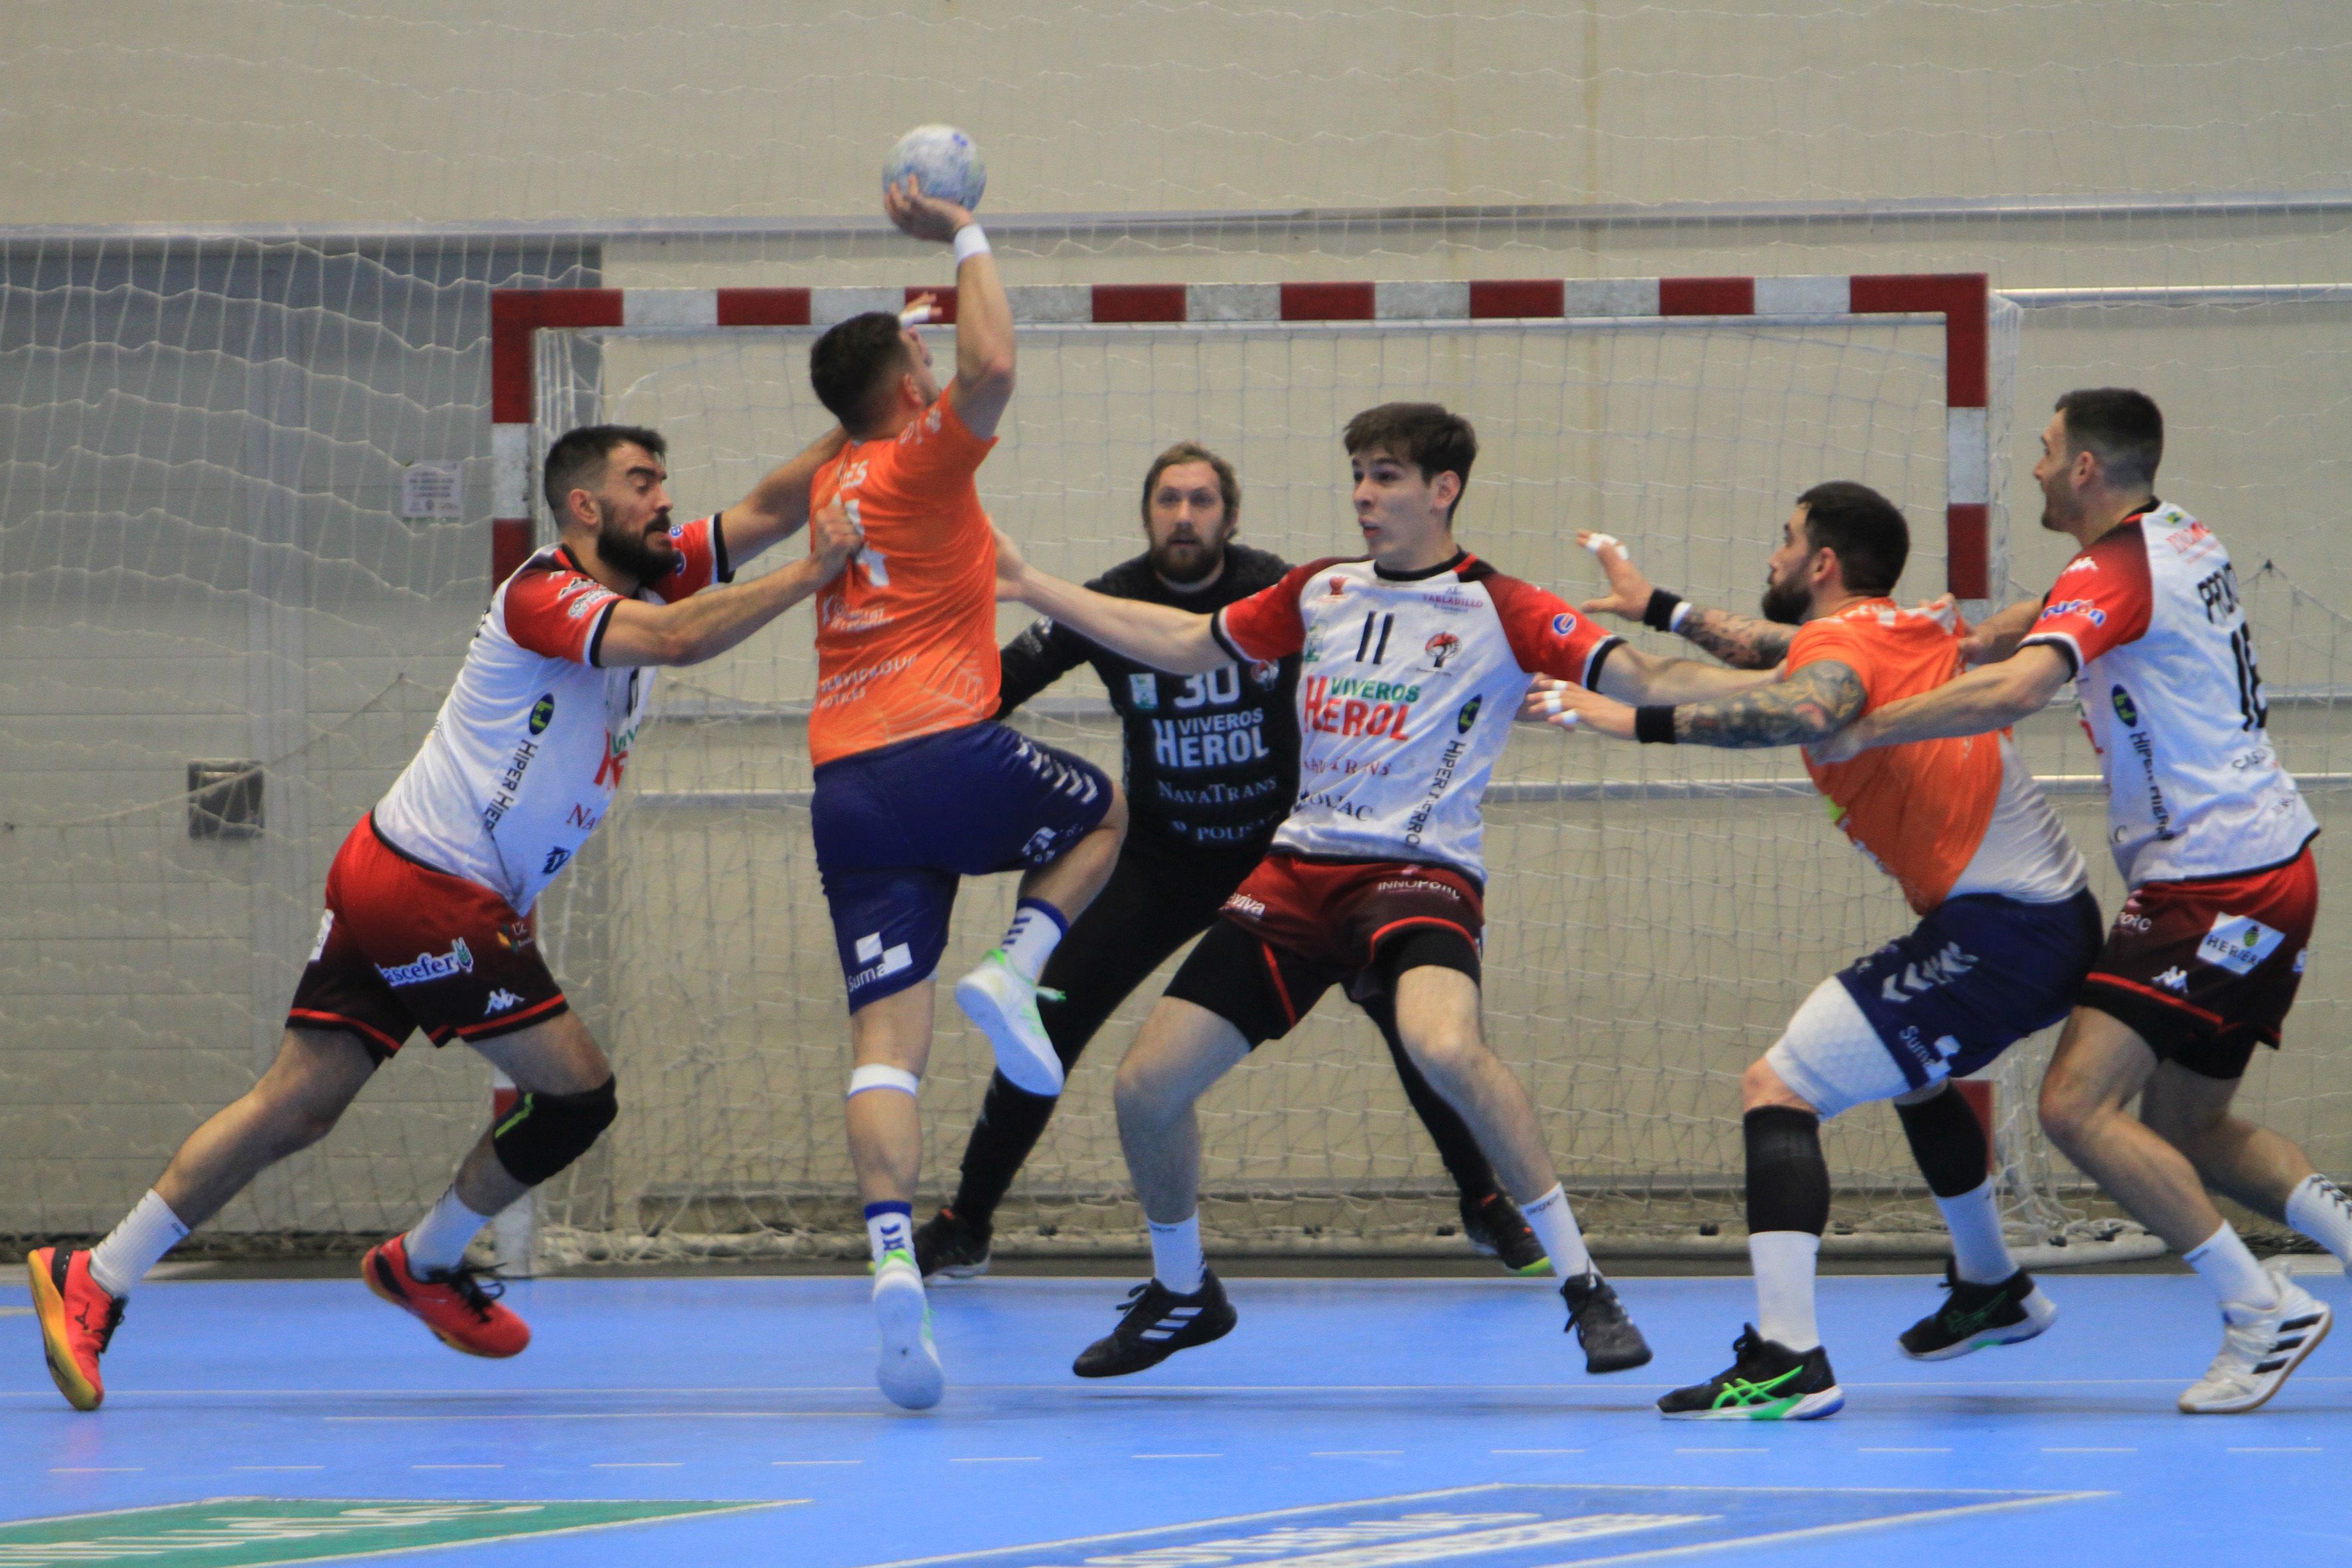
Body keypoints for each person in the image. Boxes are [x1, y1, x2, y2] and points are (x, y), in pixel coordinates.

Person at [27, 422, 862, 1412]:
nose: (664, 499)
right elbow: (682, 640)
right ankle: (422, 1261)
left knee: (296, 1105)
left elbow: (767, 504)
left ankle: (96, 1275)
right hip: (430, 888)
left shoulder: (653, 568)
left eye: (664, 481)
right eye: (642, 482)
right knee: (578, 1096)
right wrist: (823, 568)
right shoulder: (545, 591)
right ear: (585, 506)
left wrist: (870, 416)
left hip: (402, 872)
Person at [992, 402, 1771, 1382]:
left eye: (1387, 476)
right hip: (1297, 869)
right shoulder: (1316, 589)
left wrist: (1810, 686)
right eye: (1358, 472)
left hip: (1418, 872)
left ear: (1442, 490)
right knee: (1145, 1088)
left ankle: (1583, 1284)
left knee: (1441, 1043)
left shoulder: (1503, 605)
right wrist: (1030, 584)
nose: (1364, 493)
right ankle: (1182, 1292)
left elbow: (1648, 674)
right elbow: (1187, 642)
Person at [1818, 389, 2348, 1414]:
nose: (2033, 467)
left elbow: (2022, 692)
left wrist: (1869, 727)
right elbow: (2068, 605)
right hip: (2266, 868)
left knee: (2071, 1106)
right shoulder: (2175, 535)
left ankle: (2261, 1309)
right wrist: (1976, 632)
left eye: (2046, 451)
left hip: (2213, 884)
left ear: (2087, 470)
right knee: (2190, 1127)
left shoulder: (2114, 570)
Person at [1529, 481, 2100, 1420]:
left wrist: (1623, 721)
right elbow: (1760, 649)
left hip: (2007, 930)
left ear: (1820, 563)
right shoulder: (1894, 625)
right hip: (2027, 918)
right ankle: (1991, 1286)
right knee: (1906, 1072)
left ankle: (1789, 1359)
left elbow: (1803, 706)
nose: (1772, 554)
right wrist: (1656, 608)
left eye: (1783, 538)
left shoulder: (1837, 650)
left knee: (1778, 1085)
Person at [915, 441, 1548, 1282]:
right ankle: (969, 1220)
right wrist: (925, 746)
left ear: (1231, 515)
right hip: (1162, 855)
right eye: (1169, 500)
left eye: (1203, 501)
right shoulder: (1111, 605)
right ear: (1146, 515)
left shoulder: (1285, 592)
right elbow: (991, 691)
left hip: (1282, 853)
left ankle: (1487, 1202)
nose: (1185, 516)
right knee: (1045, 1016)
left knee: (1416, 1019)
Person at [803, 175, 1127, 1409]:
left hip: (845, 788)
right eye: (919, 359)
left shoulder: (834, 477)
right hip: (942, 747)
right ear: (902, 390)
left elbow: (900, 377)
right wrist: (962, 230)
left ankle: (892, 1256)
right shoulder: (913, 464)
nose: (940, 365)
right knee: (1101, 809)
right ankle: (1020, 959)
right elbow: (994, 363)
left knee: (885, 1043)